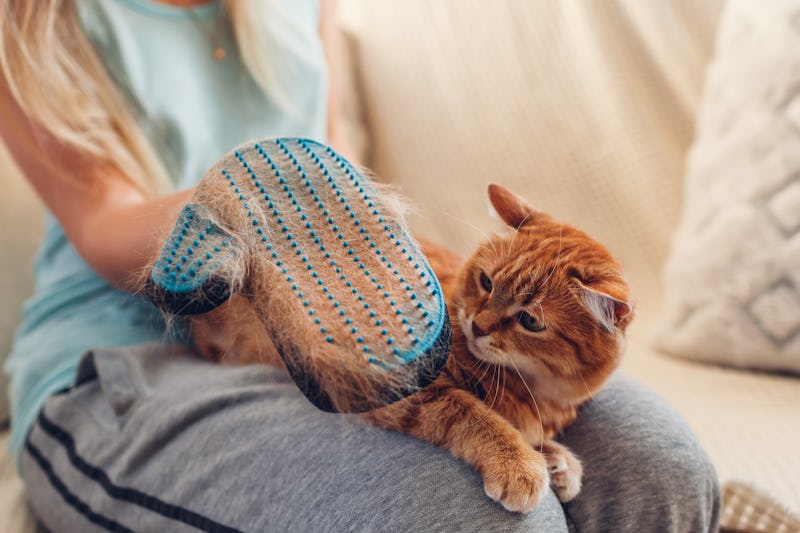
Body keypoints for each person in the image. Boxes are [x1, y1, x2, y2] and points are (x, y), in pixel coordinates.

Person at [0, 0, 721, 531]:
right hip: (125, 354)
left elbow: (337, 159)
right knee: (484, 519)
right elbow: (99, 224)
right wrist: (254, 196)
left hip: (315, 320)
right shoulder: (30, 17)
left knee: (659, 468)